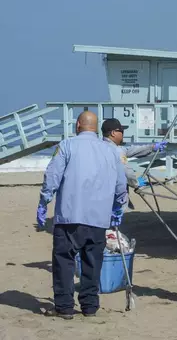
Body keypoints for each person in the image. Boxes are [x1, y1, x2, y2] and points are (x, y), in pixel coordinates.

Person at [36, 111, 127, 319]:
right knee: (92, 263)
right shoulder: (111, 151)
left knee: (64, 261)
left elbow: (52, 176)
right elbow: (121, 185)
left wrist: (43, 202)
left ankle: (65, 306)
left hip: (69, 217)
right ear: (95, 128)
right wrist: (117, 207)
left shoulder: (67, 146)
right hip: (98, 219)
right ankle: (89, 306)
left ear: (78, 124)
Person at [101, 118, 167, 209]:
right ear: (113, 133)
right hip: (114, 195)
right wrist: (135, 182)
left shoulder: (100, 146)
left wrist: (152, 147)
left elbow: (131, 150)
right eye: (121, 131)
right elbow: (126, 171)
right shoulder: (117, 151)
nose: (123, 134)